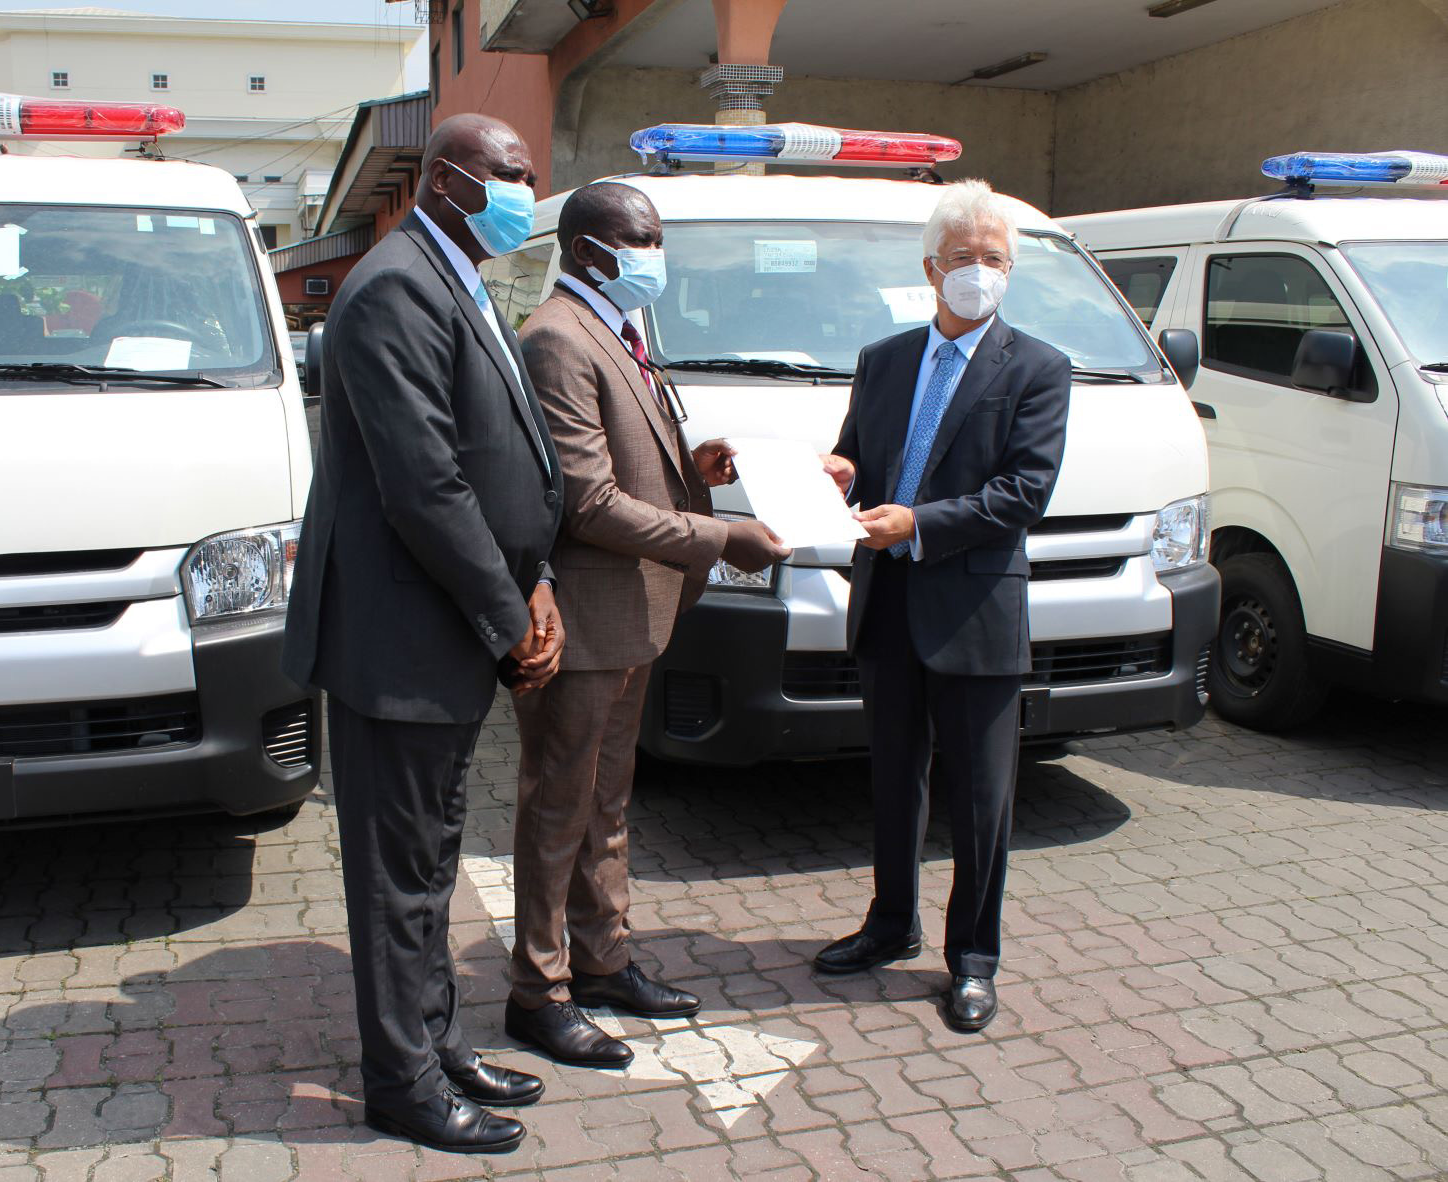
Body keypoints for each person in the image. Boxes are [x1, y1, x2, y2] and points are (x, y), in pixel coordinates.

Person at [282, 114, 565, 1154]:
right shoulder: (397, 284)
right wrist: (508, 616)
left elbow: (504, 452)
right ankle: (399, 1081)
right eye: (511, 174)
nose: (527, 191)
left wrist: (533, 580)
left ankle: (433, 1041)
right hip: (398, 641)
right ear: (447, 180)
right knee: (401, 876)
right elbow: (426, 485)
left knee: (432, 860)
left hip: (443, 628)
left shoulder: (457, 273)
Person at [510, 182, 790, 1065]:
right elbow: (589, 502)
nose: (654, 257)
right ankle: (537, 989)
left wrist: (694, 472)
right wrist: (721, 535)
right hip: (585, 622)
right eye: (643, 240)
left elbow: (634, 465)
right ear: (589, 249)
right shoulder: (558, 337)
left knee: (607, 802)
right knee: (560, 805)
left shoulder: (620, 330)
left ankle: (600, 959)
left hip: (632, 618)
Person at [818, 179, 1071, 1033]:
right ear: (931, 267)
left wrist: (918, 523)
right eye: (964, 259)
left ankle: (972, 960)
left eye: (994, 261)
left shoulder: (1037, 367)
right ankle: (890, 925)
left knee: (980, 799)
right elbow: (859, 457)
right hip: (887, 605)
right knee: (893, 782)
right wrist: (842, 474)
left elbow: (1022, 493)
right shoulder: (883, 360)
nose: (979, 273)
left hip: (974, 614)